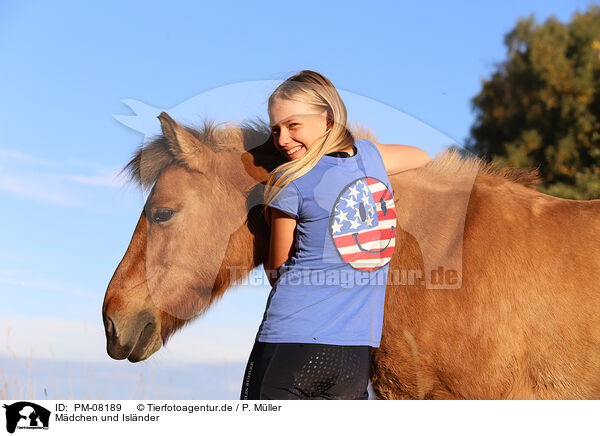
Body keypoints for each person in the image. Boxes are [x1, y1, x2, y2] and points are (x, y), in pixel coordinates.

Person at [240, 70, 431, 400]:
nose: (282, 139)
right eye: (276, 130)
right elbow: (422, 156)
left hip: (290, 344)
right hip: (354, 357)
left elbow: (277, 270)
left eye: (293, 125)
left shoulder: (289, 180)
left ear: (327, 118)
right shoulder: (371, 157)